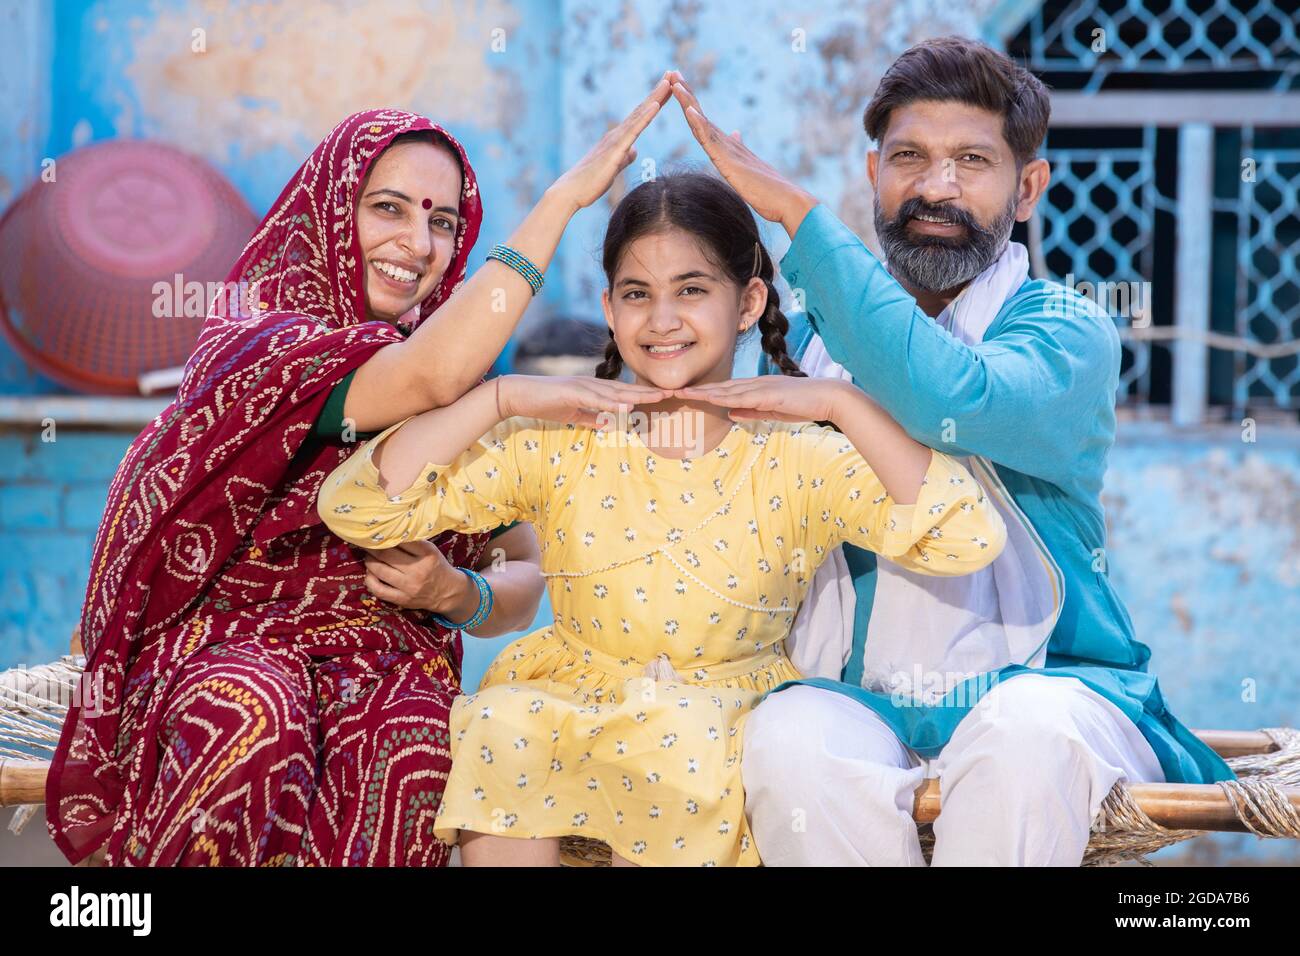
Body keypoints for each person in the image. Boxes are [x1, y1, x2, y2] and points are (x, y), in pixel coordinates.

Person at [46, 78, 670, 867]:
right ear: (329, 213)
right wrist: (562, 203)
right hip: (225, 645)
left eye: (443, 222)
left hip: (385, 656)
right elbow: (424, 378)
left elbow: (528, 563)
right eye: (389, 208)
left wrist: (461, 593)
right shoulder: (264, 344)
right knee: (252, 718)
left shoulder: (458, 389)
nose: (418, 243)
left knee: (414, 743)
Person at [317, 171, 1009, 867]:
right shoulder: (563, 440)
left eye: (693, 289)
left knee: (678, 739)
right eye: (637, 294)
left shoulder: (798, 457)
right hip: (570, 699)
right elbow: (361, 505)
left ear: (750, 303)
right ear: (610, 310)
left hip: (715, 718)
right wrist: (498, 396)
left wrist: (839, 404)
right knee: (503, 721)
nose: (663, 319)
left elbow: (965, 535)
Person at [661, 40, 1235, 867]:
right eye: (910, 159)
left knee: (1022, 737)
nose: (936, 187)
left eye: (972, 161)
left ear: (1028, 188)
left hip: (1055, 685)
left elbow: (950, 400)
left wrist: (797, 217)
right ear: (873, 173)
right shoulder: (815, 337)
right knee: (786, 738)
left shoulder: (1065, 332)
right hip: (858, 697)